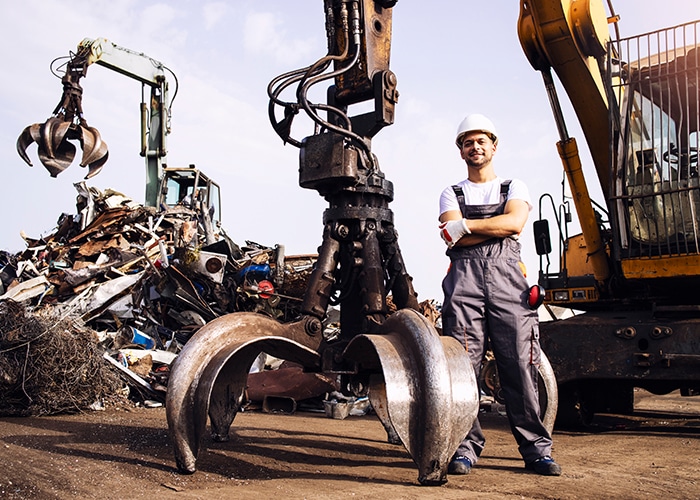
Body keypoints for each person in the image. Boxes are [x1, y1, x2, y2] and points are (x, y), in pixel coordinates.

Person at [438, 113, 561, 476]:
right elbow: (450, 235)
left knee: (520, 366)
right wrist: (486, 229)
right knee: (462, 369)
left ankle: (537, 450)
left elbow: (515, 223)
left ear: (494, 146)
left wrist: (467, 226)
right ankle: (464, 448)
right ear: (460, 151)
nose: (474, 147)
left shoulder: (514, 187)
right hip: (464, 283)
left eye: (480, 141)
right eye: (467, 142)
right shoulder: (451, 191)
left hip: (509, 283)